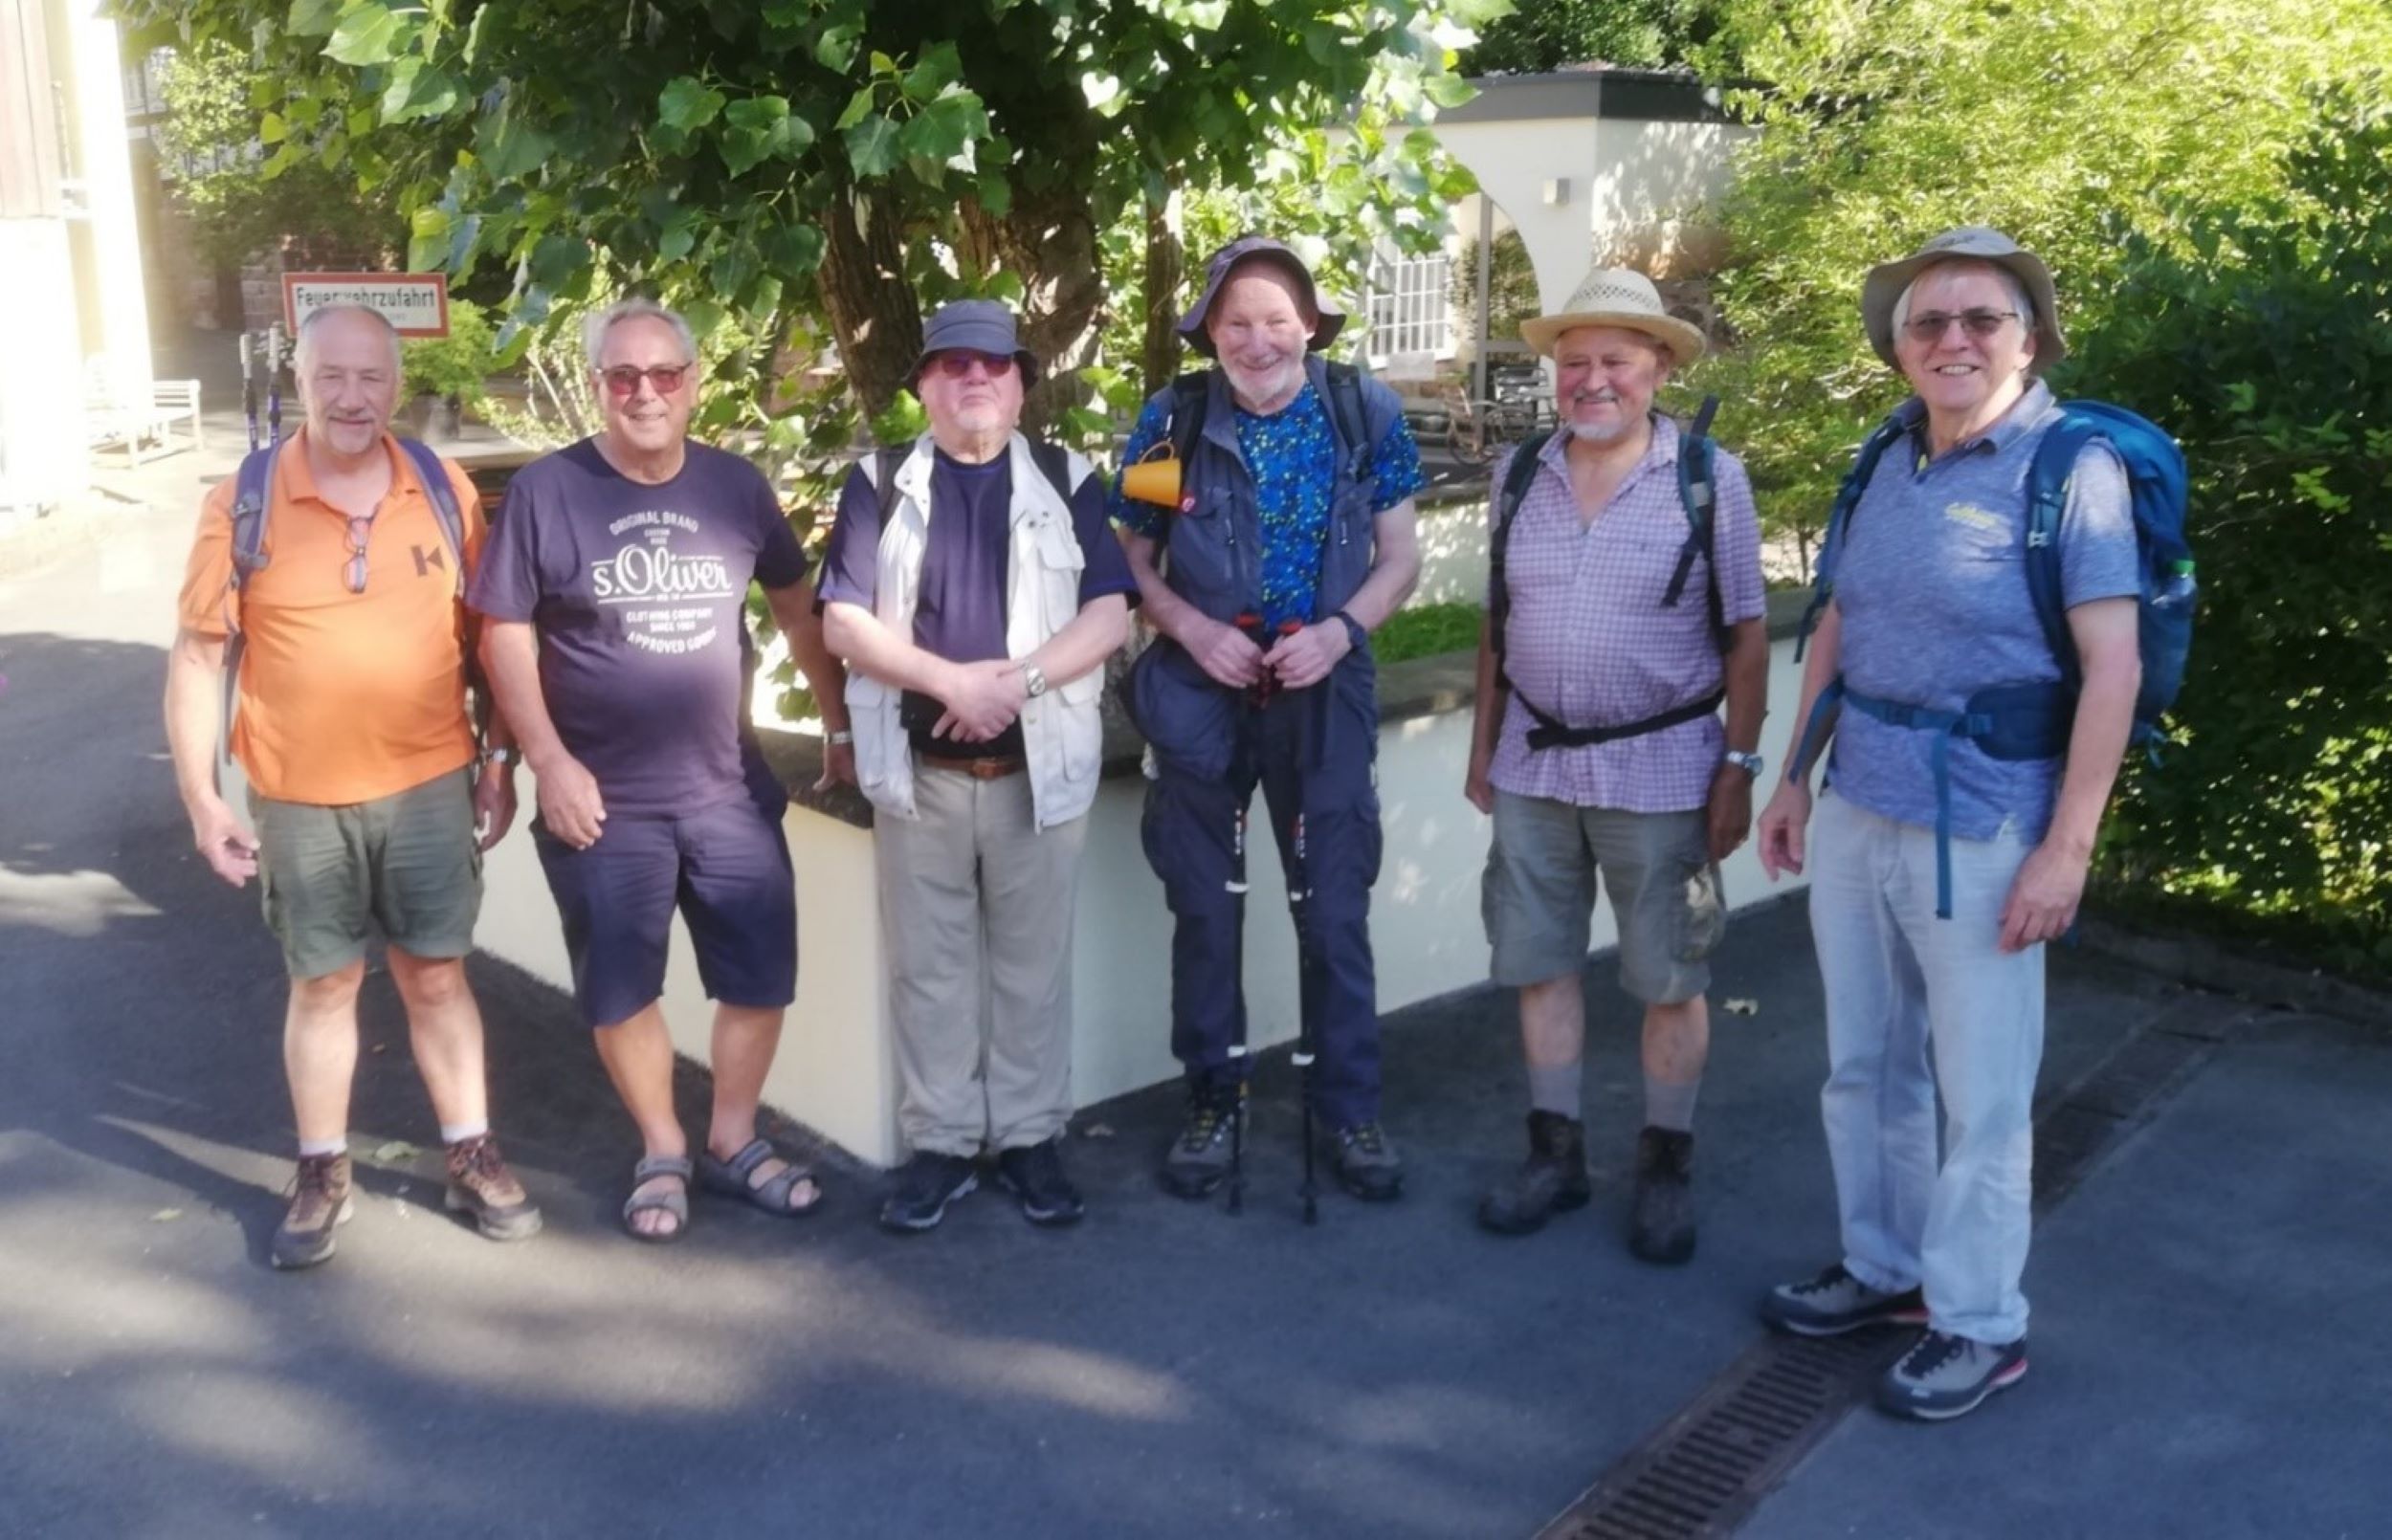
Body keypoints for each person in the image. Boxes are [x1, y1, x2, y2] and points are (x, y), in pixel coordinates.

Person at [1754, 228, 2142, 1419]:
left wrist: (2066, 849)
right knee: (1863, 1065)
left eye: (1982, 319)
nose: (1953, 339)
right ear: (1898, 347)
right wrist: (1791, 775)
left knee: (1980, 1094)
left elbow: (2113, 664)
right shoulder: (1886, 455)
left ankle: (1979, 1320)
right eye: (1928, 321)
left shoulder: (2069, 468)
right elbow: (1839, 620)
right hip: (1859, 803)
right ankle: (1886, 1267)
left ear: (2029, 339)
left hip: (1984, 825)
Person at [165, 302, 542, 1269]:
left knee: (437, 975)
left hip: (430, 785)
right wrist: (204, 801)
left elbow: (489, 641)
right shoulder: (244, 500)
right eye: (330, 375)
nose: (351, 396)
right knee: (324, 984)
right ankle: (323, 1169)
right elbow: (199, 658)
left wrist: (499, 760)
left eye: (372, 376)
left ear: (397, 386)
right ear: (299, 380)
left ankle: (470, 1151)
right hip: (298, 798)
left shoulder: (442, 487)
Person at [470, 297, 853, 1243]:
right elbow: (503, 635)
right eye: (623, 375)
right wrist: (544, 761)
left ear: (693, 382)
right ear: (599, 385)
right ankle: (662, 1147)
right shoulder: (548, 492)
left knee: (759, 978)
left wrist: (840, 721)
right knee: (622, 990)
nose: (645, 392)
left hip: (729, 790)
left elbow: (799, 610)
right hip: (602, 802)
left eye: (664, 373)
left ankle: (732, 1137)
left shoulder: (736, 486)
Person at [1463, 267, 1768, 1263]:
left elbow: (1747, 636)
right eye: (1575, 361)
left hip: (1664, 768)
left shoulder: (1707, 478)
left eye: (1617, 361)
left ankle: (1665, 1166)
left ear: (1660, 367)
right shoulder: (1519, 474)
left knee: (1670, 974)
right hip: (1534, 765)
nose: (1592, 379)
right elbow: (1497, 625)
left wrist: (1738, 766)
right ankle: (1554, 1156)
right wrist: (1481, 747)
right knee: (1538, 962)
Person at [1116, 235, 1426, 1204]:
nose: (1257, 340)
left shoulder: (1364, 409)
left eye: (1276, 320)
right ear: (1210, 331)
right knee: (1206, 909)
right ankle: (1213, 1099)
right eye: (1236, 322)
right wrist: (1191, 630)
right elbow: (1130, 557)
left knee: (1333, 910)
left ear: (1310, 325)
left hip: (1325, 690)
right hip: (1199, 693)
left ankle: (1350, 1109)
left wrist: (1339, 632)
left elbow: (1401, 557)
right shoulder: (1169, 420)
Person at [817, 300, 1135, 1233]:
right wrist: (950, 681)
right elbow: (843, 622)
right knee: (929, 973)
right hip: (919, 776)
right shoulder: (878, 482)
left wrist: (1016, 683)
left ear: (1021, 385)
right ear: (923, 383)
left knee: (1034, 971)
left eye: (993, 365)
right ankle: (944, 1146)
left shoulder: (1070, 479)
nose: (975, 380)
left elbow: (1110, 614)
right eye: (953, 364)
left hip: (1038, 773)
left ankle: (1031, 1139)